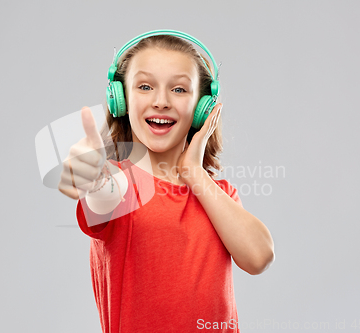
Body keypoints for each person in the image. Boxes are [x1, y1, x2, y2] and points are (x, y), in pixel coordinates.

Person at [58, 30, 275, 333]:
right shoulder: (120, 183)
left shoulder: (217, 194)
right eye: (145, 86)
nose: (161, 101)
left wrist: (194, 173)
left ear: (203, 108)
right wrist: (92, 177)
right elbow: (103, 192)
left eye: (179, 90)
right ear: (121, 100)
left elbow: (259, 257)